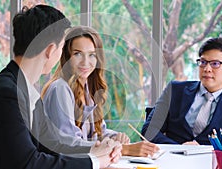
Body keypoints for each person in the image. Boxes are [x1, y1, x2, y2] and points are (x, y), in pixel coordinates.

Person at [0, 5, 122, 169]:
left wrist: (97, 150)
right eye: (63, 47)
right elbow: (29, 163)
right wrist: (95, 163)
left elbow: (52, 144)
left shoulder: (25, 91)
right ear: (50, 50)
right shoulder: (5, 95)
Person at [41, 26, 159, 157]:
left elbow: (97, 134)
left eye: (92, 55)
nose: (86, 62)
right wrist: (124, 150)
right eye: (77, 54)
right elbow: (68, 143)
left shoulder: (87, 89)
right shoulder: (60, 89)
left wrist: (115, 138)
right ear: (66, 57)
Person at [141, 37, 222, 145]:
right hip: (172, 159)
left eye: (215, 64)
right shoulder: (174, 90)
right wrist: (181, 149)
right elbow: (149, 130)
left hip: (213, 161)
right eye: (203, 62)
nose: (207, 69)